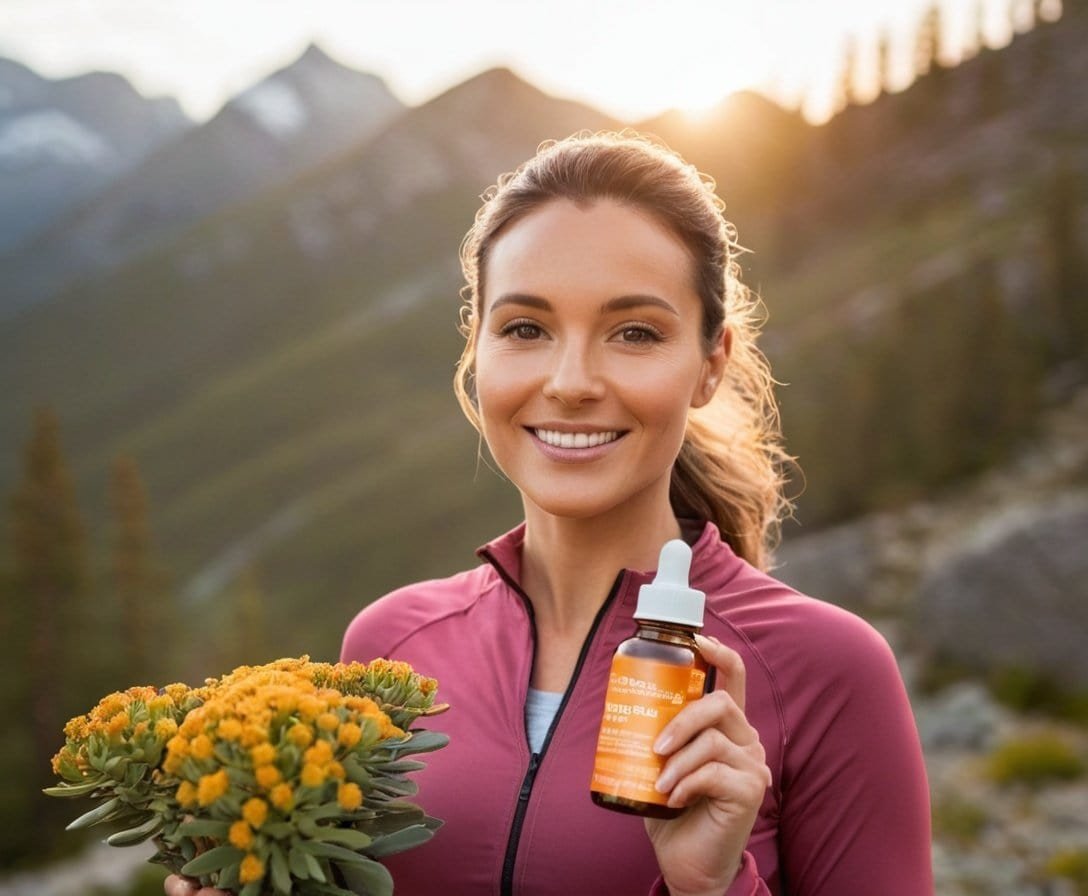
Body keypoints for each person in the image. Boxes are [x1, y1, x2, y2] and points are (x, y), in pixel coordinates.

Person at [166, 131, 933, 896]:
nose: (570, 382)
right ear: (477, 350)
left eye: (635, 333)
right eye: (526, 329)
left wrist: (714, 886)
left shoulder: (829, 671)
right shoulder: (388, 644)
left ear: (710, 365)